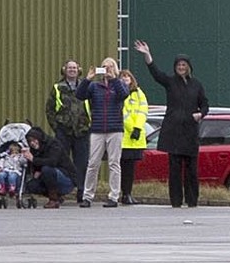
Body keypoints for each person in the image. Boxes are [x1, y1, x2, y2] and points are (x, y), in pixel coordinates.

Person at [128, 41, 210, 211]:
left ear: (189, 67)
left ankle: (192, 201)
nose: (181, 67)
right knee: (174, 169)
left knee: (191, 170)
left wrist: (200, 114)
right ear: (175, 67)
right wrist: (147, 55)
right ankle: (176, 201)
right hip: (174, 132)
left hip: (190, 132)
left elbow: (205, 104)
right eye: (179, 65)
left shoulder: (196, 84)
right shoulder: (170, 82)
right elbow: (156, 74)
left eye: (184, 65)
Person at [45, 66, 96, 207]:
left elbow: (93, 106)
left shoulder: (86, 86)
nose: (72, 70)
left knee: (82, 163)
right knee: (61, 163)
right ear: (64, 70)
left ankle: (82, 192)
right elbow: (49, 109)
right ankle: (60, 193)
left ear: (79, 70)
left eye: (75, 67)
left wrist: (89, 125)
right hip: (64, 132)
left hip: (82, 131)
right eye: (69, 68)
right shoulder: (58, 87)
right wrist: (56, 127)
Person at [84, 59, 131, 206]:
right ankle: (87, 196)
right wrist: (87, 79)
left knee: (114, 163)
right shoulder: (94, 86)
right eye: (104, 67)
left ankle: (114, 196)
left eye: (110, 67)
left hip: (115, 128)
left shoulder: (120, 84)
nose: (107, 69)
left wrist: (115, 80)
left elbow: (124, 95)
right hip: (97, 128)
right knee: (93, 163)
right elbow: (80, 95)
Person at [116, 70, 151, 202]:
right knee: (121, 167)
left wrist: (137, 128)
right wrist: (132, 128)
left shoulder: (139, 93)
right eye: (122, 77)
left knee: (130, 168)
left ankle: (128, 193)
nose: (125, 79)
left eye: (127, 76)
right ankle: (121, 193)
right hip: (124, 135)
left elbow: (143, 111)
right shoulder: (119, 94)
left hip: (136, 137)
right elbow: (123, 113)